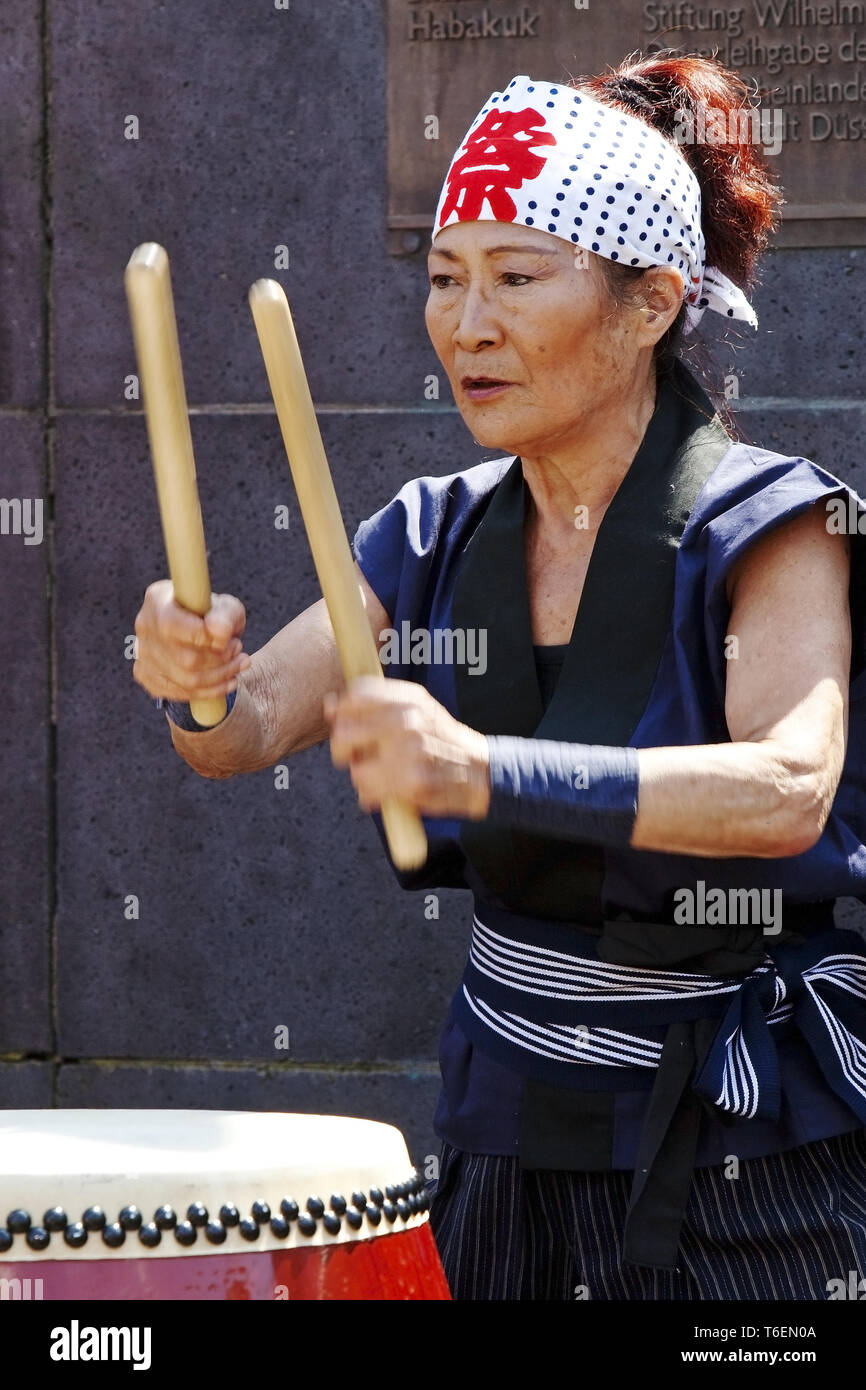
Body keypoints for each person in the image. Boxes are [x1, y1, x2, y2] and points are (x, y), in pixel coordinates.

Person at [133, 51, 866, 1301]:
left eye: (516, 278)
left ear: (649, 303)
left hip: (739, 1148)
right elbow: (242, 728)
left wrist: (478, 766)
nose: (465, 324)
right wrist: (190, 674)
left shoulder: (772, 524)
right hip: (508, 1130)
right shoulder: (430, 531)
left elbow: (787, 786)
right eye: (444, 279)